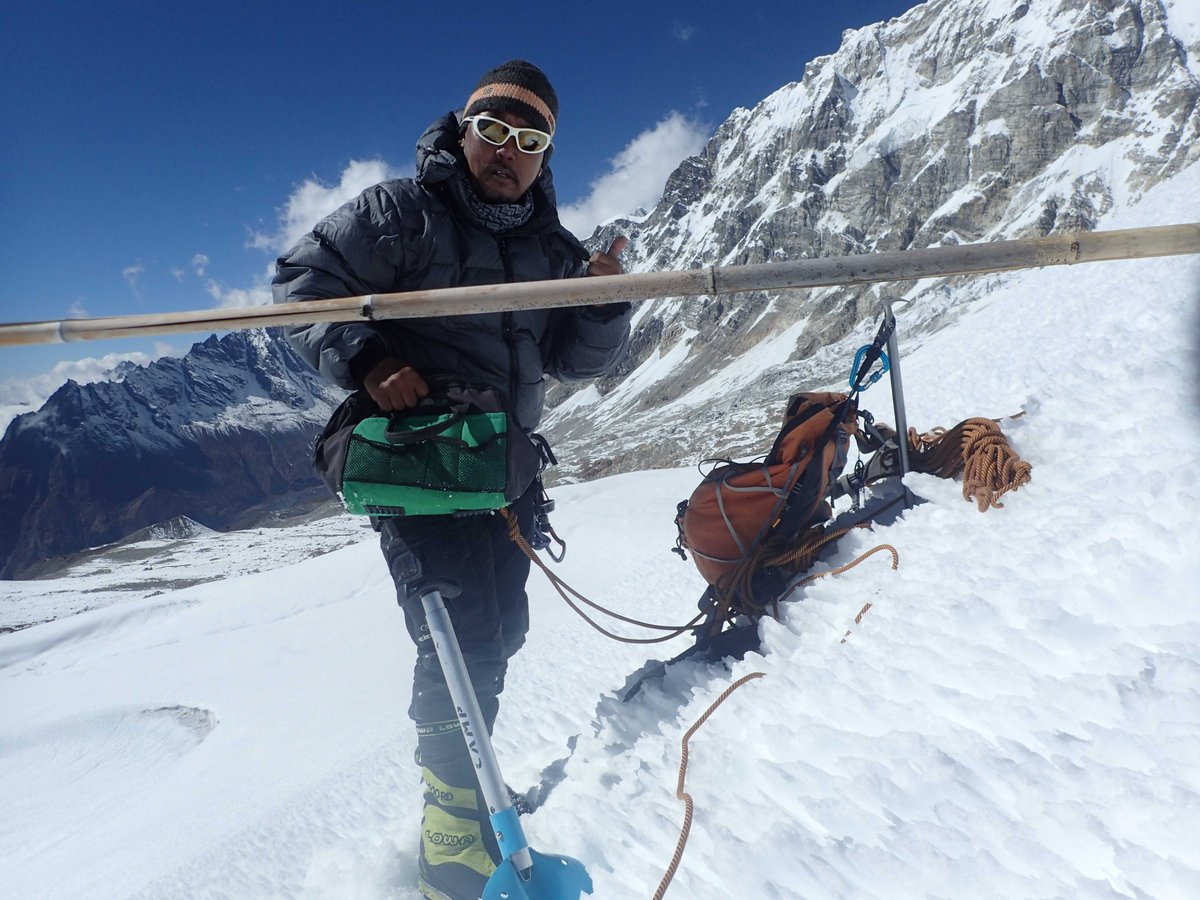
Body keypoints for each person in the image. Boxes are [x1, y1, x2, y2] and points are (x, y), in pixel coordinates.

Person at [272, 60, 632, 900]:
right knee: (458, 636)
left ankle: (472, 799)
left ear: (546, 155)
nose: (508, 152)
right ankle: (447, 843)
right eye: (494, 130)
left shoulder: (554, 248)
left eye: (529, 139)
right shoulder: (398, 214)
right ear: (465, 129)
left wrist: (606, 304)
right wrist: (365, 356)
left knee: (498, 632)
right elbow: (300, 283)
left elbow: (575, 358)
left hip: (501, 472)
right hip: (421, 462)